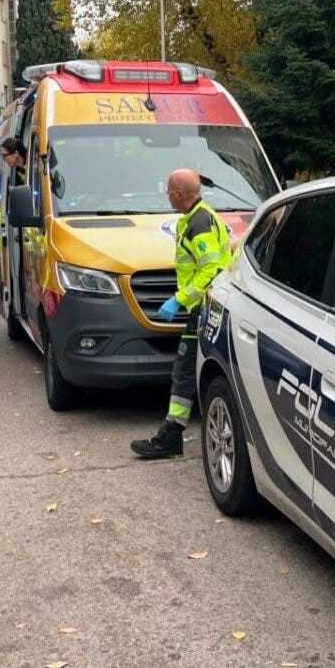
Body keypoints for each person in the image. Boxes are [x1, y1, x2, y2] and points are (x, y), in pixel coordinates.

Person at [131, 168, 234, 458]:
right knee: (190, 370)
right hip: (206, 306)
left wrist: (179, 299)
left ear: (179, 194)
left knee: (185, 371)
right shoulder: (197, 217)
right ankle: (173, 432)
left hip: (204, 307)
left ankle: (171, 436)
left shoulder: (198, 223)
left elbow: (211, 269)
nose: (166, 194)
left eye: (168, 190)